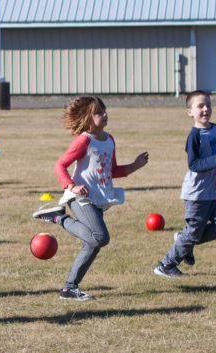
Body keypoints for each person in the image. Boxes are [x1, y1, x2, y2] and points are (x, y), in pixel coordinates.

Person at [32, 96, 149, 300]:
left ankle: (70, 288)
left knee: (93, 242)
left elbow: (111, 170)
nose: (104, 114)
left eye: (104, 110)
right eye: (98, 112)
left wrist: (135, 165)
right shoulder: (84, 140)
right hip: (80, 198)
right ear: (87, 119)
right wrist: (72, 186)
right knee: (101, 238)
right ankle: (58, 218)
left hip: (98, 198)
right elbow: (60, 165)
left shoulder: (109, 139)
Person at [151, 90, 216, 278]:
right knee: (193, 234)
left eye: (208, 105)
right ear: (190, 112)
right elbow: (194, 164)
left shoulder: (215, 129)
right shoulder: (194, 136)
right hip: (196, 195)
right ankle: (166, 265)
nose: (206, 109)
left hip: (212, 192)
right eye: (200, 106)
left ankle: (184, 240)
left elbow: (214, 157)